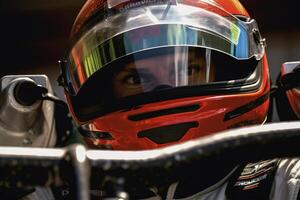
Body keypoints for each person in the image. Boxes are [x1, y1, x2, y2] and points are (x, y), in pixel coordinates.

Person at [31, 0, 300, 199]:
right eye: (136, 79)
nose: (163, 88)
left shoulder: (284, 182)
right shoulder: (61, 190)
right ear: (101, 91)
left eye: (187, 70)